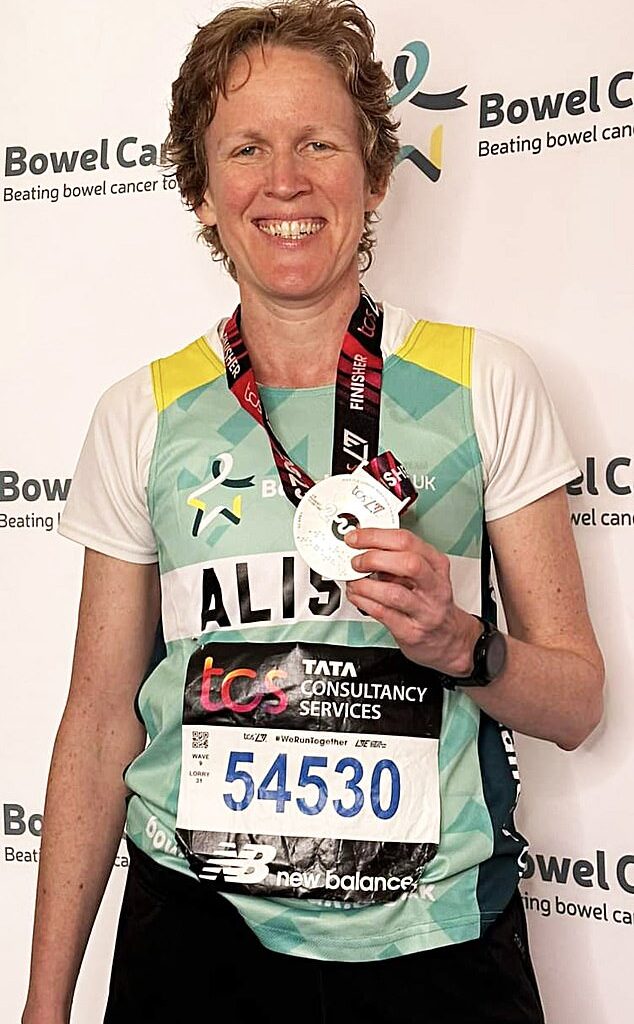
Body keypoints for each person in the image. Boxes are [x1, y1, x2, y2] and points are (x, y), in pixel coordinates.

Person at [22, 2, 604, 1022]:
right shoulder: (142, 412)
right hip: (196, 935)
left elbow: (574, 702)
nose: (283, 180)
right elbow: (100, 717)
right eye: (245, 148)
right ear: (202, 191)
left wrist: (465, 643)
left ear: (373, 175)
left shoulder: (480, 382)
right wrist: (41, 1003)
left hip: (435, 940)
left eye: (317, 143)